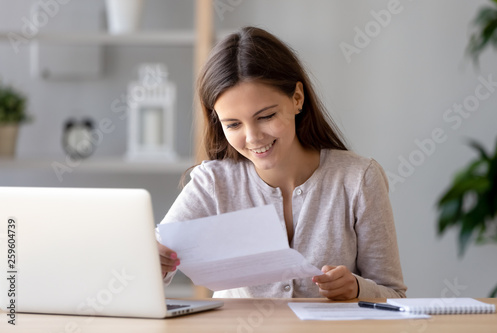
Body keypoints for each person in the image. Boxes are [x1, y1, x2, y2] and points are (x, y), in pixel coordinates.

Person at [157, 26, 407, 300]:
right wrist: (154, 261)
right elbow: (154, 259)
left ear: (297, 98)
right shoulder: (213, 182)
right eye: (233, 124)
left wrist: (359, 289)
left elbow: (394, 294)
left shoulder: (358, 179)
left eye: (266, 116)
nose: (252, 138)